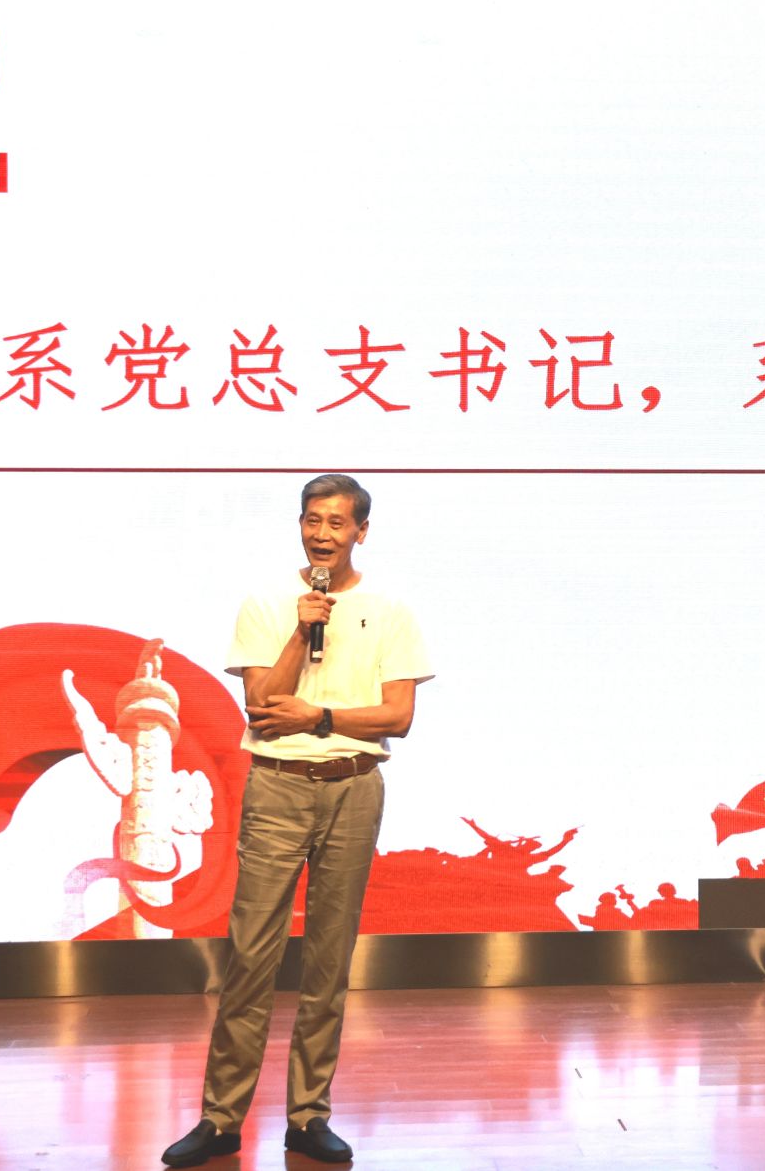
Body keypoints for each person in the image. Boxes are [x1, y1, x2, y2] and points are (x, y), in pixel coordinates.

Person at [163, 473, 433, 1168]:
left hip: (354, 785)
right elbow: (261, 704)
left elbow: (398, 715)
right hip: (278, 787)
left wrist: (319, 716)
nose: (322, 533)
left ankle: (309, 1116)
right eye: (313, 520)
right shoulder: (267, 603)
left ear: (361, 531)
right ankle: (221, 1119)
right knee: (251, 955)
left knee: (328, 960)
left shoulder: (390, 609)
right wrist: (299, 630)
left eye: (337, 523)